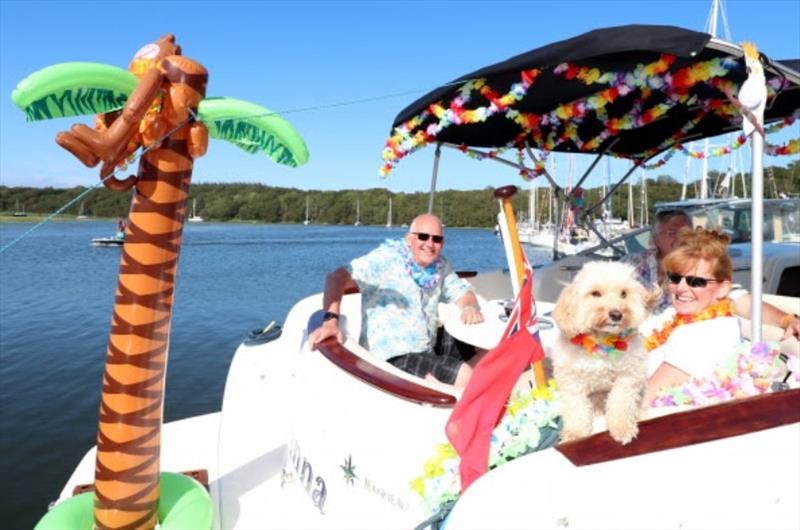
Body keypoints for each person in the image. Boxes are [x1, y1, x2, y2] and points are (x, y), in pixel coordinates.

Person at [308, 213, 485, 388]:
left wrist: (469, 307)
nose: (429, 244)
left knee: (488, 351)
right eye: (423, 237)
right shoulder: (385, 259)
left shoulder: (440, 265)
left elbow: (462, 292)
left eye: (436, 239)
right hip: (392, 357)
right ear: (409, 239)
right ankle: (455, 390)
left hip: (426, 347)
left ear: (442, 243)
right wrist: (330, 322)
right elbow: (336, 278)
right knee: (466, 375)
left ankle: (453, 386)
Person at [629, 209, 800, 340]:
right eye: (673, 233)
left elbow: (740, 300)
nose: (681, 238)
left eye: (686, 232)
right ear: (655, 238)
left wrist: (786, 320)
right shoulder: (633, 264)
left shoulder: (702, 267)